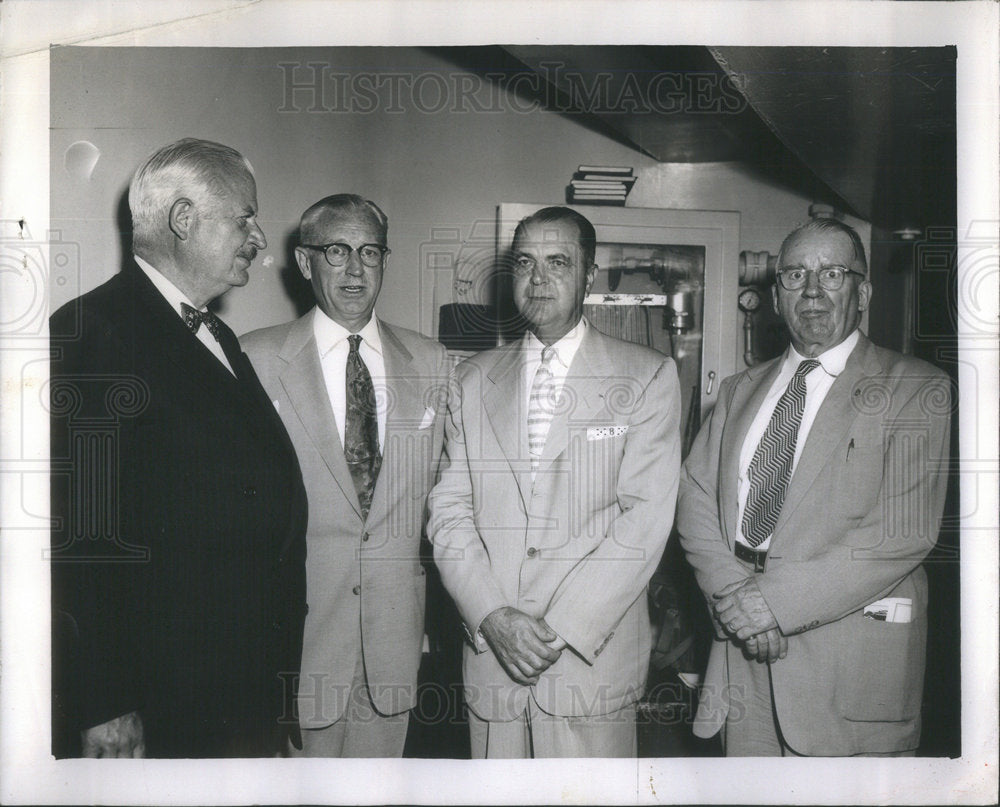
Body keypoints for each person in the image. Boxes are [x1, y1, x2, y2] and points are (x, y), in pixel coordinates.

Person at [49, 138, 308, 758]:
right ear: (183, 219)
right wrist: (103, 701)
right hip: (162, 701)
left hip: (235, 690)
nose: (260, 236)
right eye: (244, 216)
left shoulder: (215, 332)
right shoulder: (92, 333)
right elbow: (81, 540)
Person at [677, 218, 951, 756]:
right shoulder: (737, 391)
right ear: (776, 297)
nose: (812, 290)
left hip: (847, 664)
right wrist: (735, 598)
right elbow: (695, 499)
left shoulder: (916, 388)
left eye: (832, 274)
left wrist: (772, 603)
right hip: (741, 653)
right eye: (795, 275)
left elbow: (904, 532)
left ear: (863, 291)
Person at [428, 206, 681, 758]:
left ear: (589, 275)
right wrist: (492, 616)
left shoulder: (646, 376)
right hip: (493, 666)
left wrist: (556, 630)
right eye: (525, 262)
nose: (538, 279)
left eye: (557, 262)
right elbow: (449, 512)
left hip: (590, 663)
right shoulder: (470, 378)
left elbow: (645, 522)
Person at [241, 195, 449, 757]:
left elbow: (454, 500)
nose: (356, 269)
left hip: (394, 647)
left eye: (370, 251)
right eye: (337, 251)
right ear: (305, 263)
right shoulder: (252, 361)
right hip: (297, 647)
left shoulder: (433, 362)